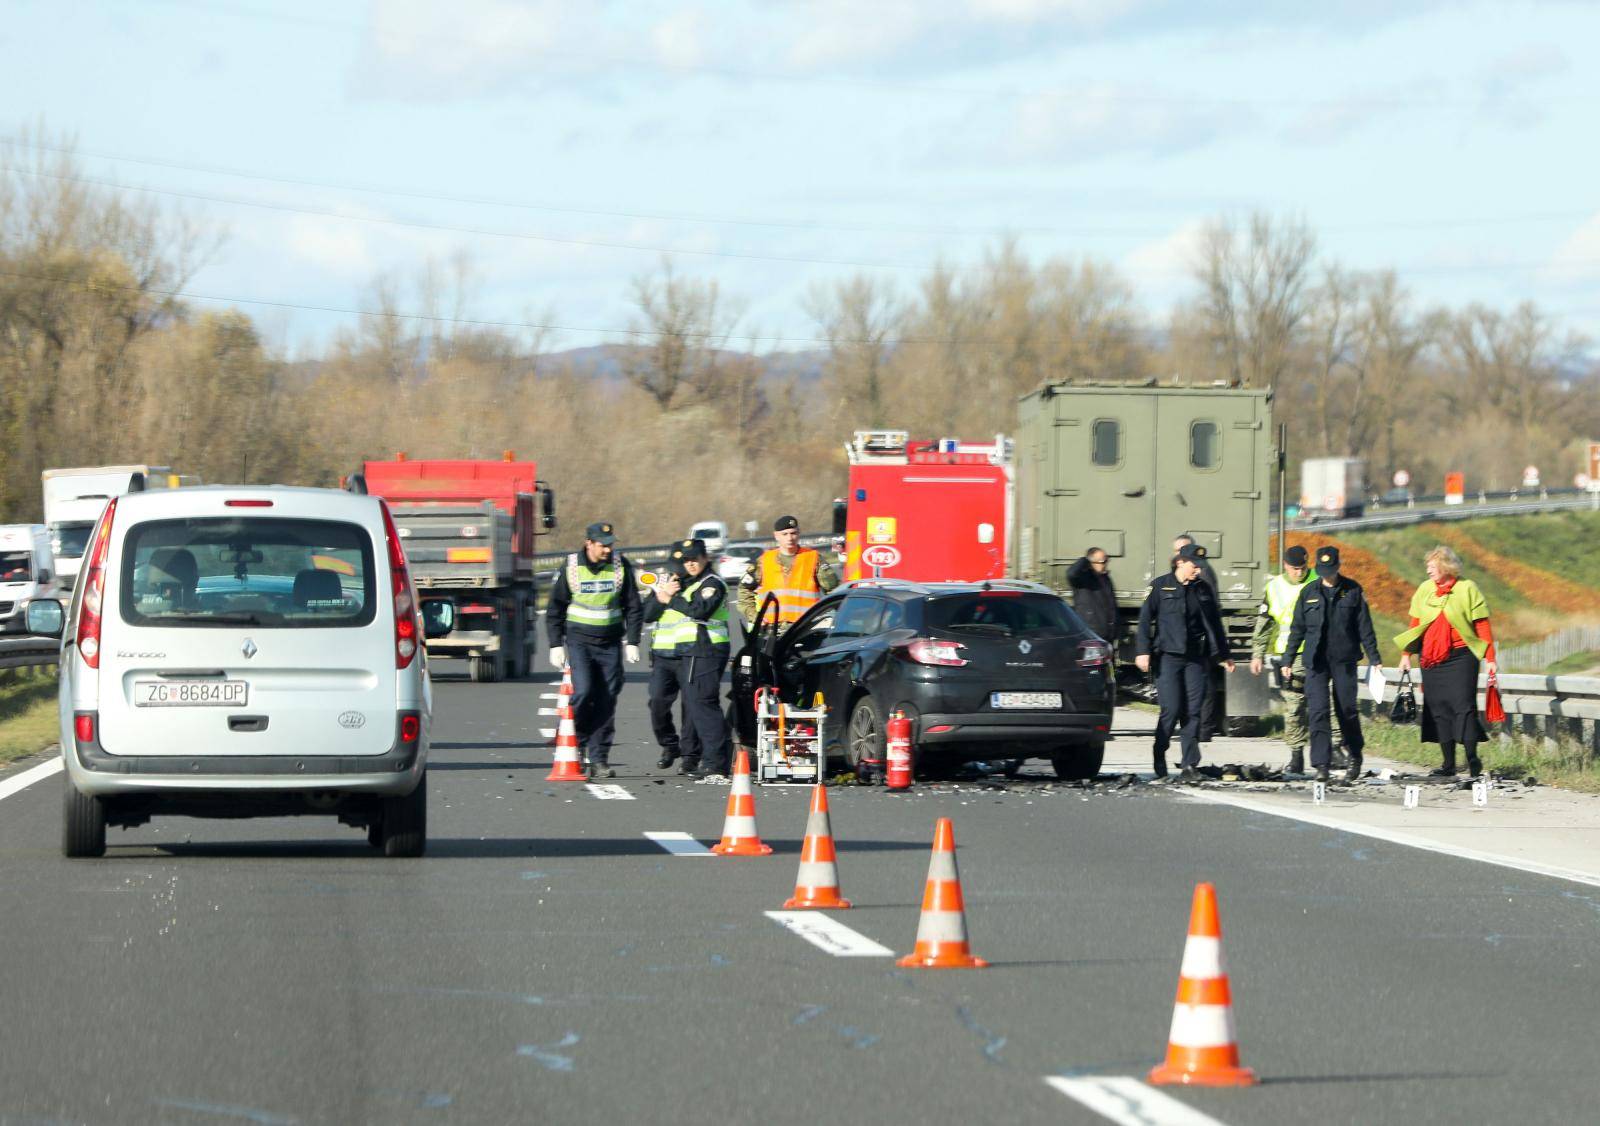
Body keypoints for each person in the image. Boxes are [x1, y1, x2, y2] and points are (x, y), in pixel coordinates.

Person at [545, 521, 643, 779]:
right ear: (589, 543)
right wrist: (556, 643)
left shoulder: (621, 566)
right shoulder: (572, 567)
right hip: (580, 641)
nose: (608, 550)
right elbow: (555, 608)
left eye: (610, 545)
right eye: (602, 545)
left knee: (608, 696)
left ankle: (599, 758)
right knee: (585, 690)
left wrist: (633, 641)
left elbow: (633, 605)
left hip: (609, 641)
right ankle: (572, 737)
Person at [1136, 543, 1235, 783]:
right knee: (1171, 710)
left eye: (1200, 567)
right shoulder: (1160, 586)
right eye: (1194, 566)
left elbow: (1214, 624)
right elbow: (1144, 620)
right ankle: (1159, 751)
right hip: (1168, 657)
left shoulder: (1203, 590)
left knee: (1193, 711)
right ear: (1180, 562)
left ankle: (1190, 763)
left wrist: (1224, 653)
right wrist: (1142, 652)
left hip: (1195, 658)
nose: (1198, 571)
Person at [1281, 547, 1381, 784]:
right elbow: (1298, 629)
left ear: (1338, 567)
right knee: (1318, 711)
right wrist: (1288, 659)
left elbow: (1365, 627)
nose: (1328, 575)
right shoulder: (1309, 592)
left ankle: (1355, 753)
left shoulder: (1353, 591)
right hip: (1316, 661)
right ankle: (1321, 764)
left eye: (1331, 570)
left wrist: (1375, 658)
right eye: (1323, 571)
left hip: (1344, 659)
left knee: (1346, 709)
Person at [1395, 545, 1494, 778]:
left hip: (1461, 657)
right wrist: (1406, 655)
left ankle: (1472, 759)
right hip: (1430, 659)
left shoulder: (1467, 588)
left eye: (1432, 565)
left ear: (1446, 566)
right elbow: (1415, 624)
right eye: (1427, 565)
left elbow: (1482, 625)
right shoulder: (1424, 590)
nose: (1428, 570)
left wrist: (1490, 659)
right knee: (1438, 709)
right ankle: (1448, 764)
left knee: (1464, 707)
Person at [644, 539, 734, 782]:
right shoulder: (678, 583)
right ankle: (706, 758)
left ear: (705, 558)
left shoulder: (712, 583)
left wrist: (670, 599)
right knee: (687, 704)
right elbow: (648, 613)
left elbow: (700, 610)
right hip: (683, 652)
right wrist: (664, 595)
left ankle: (715, 762)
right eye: (686, 560)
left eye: (695, 558)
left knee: (702, 706)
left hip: (707, 649)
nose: (691, 564)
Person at [1250, 545, 1315, 774]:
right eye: (1295, 568)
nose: (1300, 572)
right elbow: (1264, 624)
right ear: (1286, 566)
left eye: (1303, 568)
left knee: (1325, 704)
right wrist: (1258, 653)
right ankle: (1296, 754)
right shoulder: (1274, 587)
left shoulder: (1318, 580)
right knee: (1294, 706)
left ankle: (1333, 748)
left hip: (1319, 652)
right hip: (1290, 654)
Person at [737, 514, 840, 631]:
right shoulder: (764, 561)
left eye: (793, 533)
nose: (790, 538)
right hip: (771, 631)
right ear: (776, 536)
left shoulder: (813, 559)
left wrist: (827, 618)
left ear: (798, 534)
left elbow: (834, 593)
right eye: (785, 534)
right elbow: (744, 590)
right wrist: (755, 617)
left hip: (804, 630)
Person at [1066, 547, 1117, 644]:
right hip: (1091, 634)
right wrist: (1085, 560)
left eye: (1106, 561)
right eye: (1103, 561)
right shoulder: (1082, 578)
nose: (1105, 564)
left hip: (1107, 636)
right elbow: (1071, 574)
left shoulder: (1105, 578)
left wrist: (1114, 630)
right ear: (1091, 562)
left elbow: (1111, 604)